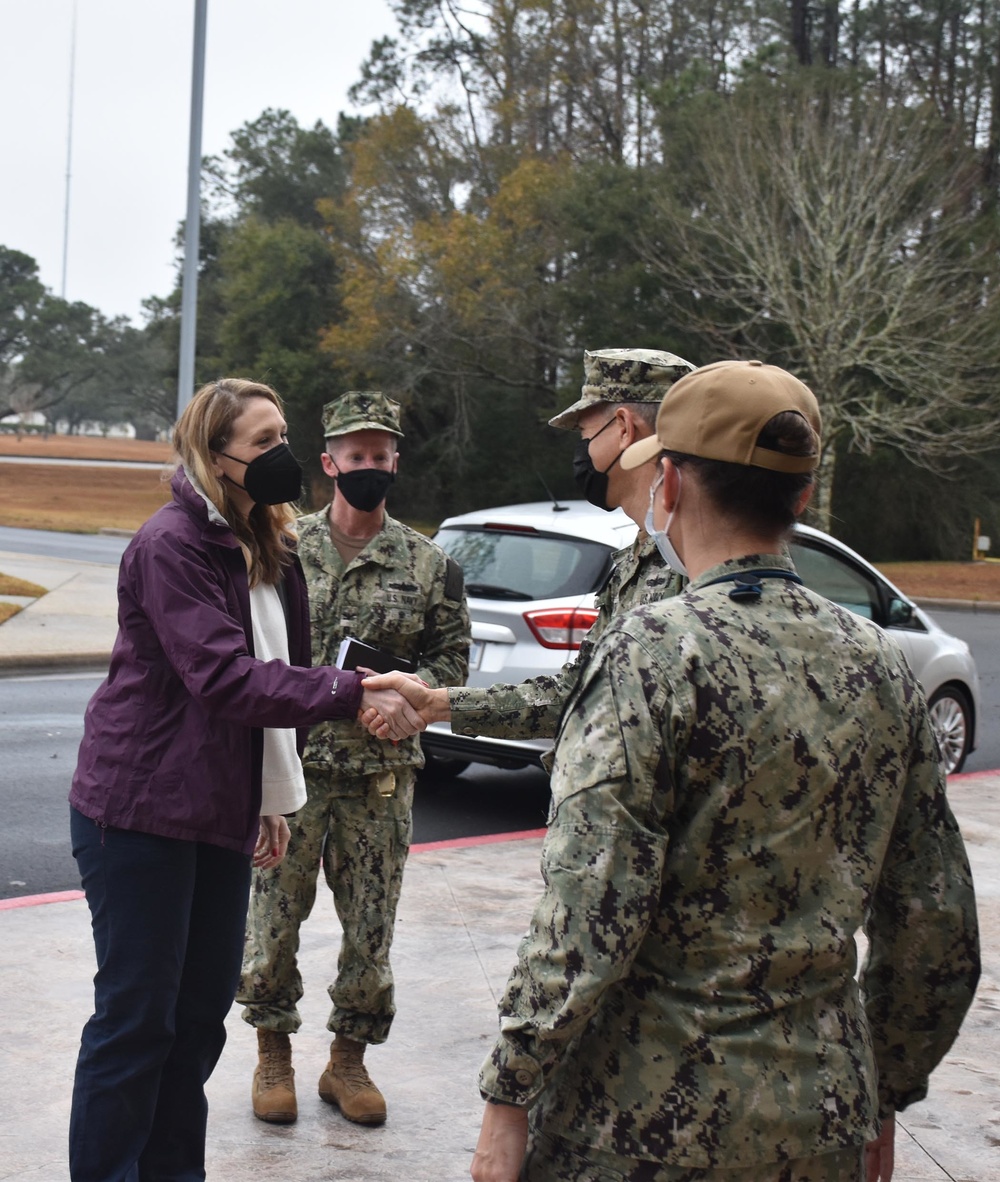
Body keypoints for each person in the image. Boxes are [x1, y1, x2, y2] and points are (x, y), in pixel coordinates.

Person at [463, 360, 980, 1182]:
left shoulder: (652, 654)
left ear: (667, 482)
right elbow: (936, 929)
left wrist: (508, 1092)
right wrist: (882, 1089)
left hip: (639, 1121)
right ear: (802, 497)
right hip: (822, 1116)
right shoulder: (881, 666)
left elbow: (591, 908)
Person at [67, 378, 422, 1182]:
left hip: (215, 807)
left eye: (283, 435)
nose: (282, 456)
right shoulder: (171, 546)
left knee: (196, 1023)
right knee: (136, 1022)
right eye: (262, 443)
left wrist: (269, 796)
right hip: (140, 810)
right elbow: (226, 681)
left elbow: (278, 670)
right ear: (214, 454)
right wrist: (353, 691)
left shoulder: (269, 543)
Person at [238, 390, 471, 1127]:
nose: (367, 465)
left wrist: (407, 701)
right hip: (294, 770)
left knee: (370, 927)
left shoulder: (430, 564)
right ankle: (272, 1052)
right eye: (354, 454)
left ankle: (348, 1061)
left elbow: (451, 657)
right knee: (274, 919)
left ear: (394, 462)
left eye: (380, 454)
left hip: (379, 776)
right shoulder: (279, 546)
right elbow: (251, 649)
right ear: (329, 461)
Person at [367, 347, 696, 745]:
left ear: (624, 428)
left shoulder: (695, 559)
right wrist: (438, 705)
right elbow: (577, 693)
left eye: (586, 434)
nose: (584, 452)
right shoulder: (642, 555)